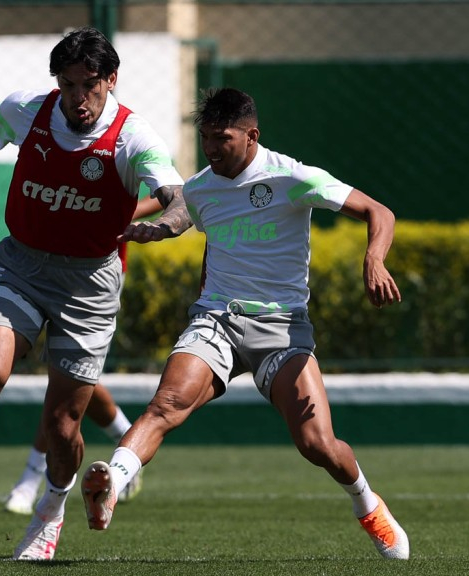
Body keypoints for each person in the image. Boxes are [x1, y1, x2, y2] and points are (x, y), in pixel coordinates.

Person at [80, 87, 410, 560]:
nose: (212, 148)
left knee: (316, 443)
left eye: (223, 138)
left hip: (282, 328)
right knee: (165, 405)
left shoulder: (293, 176)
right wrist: (155, 230)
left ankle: (367, 503)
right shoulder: (202, 184)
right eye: (206, 138)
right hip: (216, 321)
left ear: (252, 136)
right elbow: (181, 214)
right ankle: (112, 483)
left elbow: (379, 212)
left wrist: (374, 260)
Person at [0, 27, 187, 561]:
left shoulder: (133, 137)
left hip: (88, 286)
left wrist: (165, 223)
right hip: (21, 266)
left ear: (111, 80)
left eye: (90, 84)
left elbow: (177, 198)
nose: (78, 96)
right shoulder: (28, 109)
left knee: (61, 425)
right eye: (68, 83)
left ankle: (50, 514)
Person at [4, 196, 162, 516]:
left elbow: (167, 192)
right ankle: (124, 436)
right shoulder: (48, 143)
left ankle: (31, 479)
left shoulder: (126, 146)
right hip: (42, 268)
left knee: (65, 376)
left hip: (94, 273)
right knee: (66, 377)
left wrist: (108, 212)